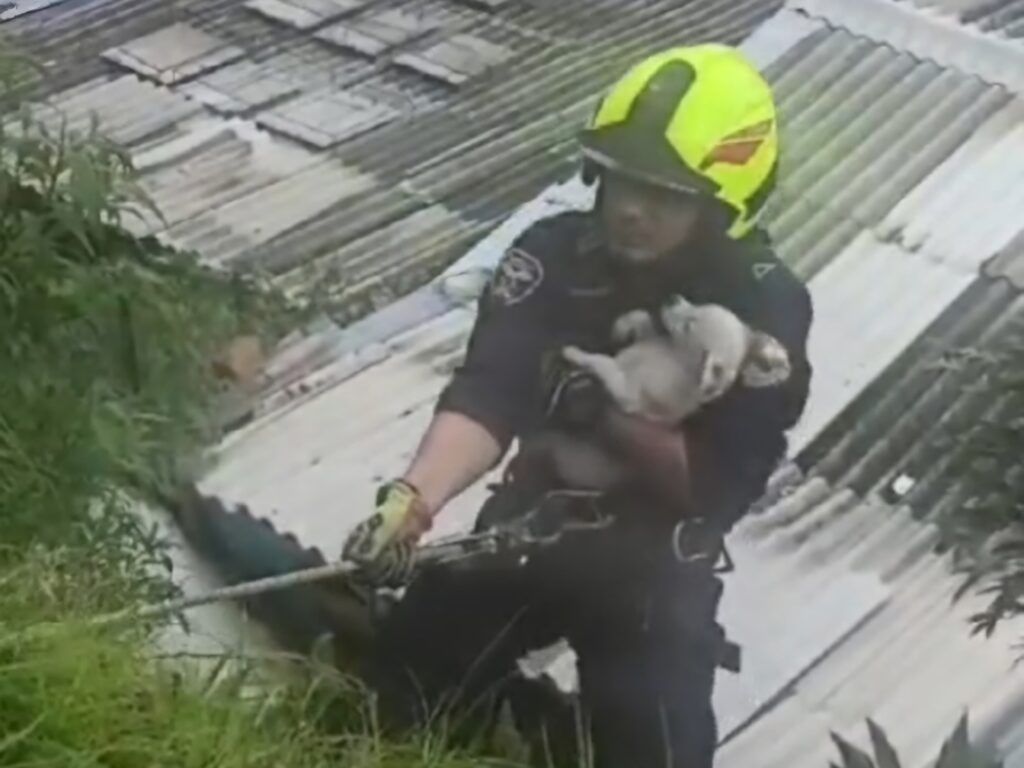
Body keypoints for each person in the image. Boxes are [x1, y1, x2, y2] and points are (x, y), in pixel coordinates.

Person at [340, 43, 814, 768]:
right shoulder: (554, 253)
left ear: (724, 204)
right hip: (530, 528)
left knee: (658, 750)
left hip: (654, 568)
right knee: (400, 684)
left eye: (663, 195)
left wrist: (600, 412)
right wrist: (412, 501)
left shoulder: (764, 307)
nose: (630, 209)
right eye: (620, 182)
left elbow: (715, 485)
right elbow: (489, 390)